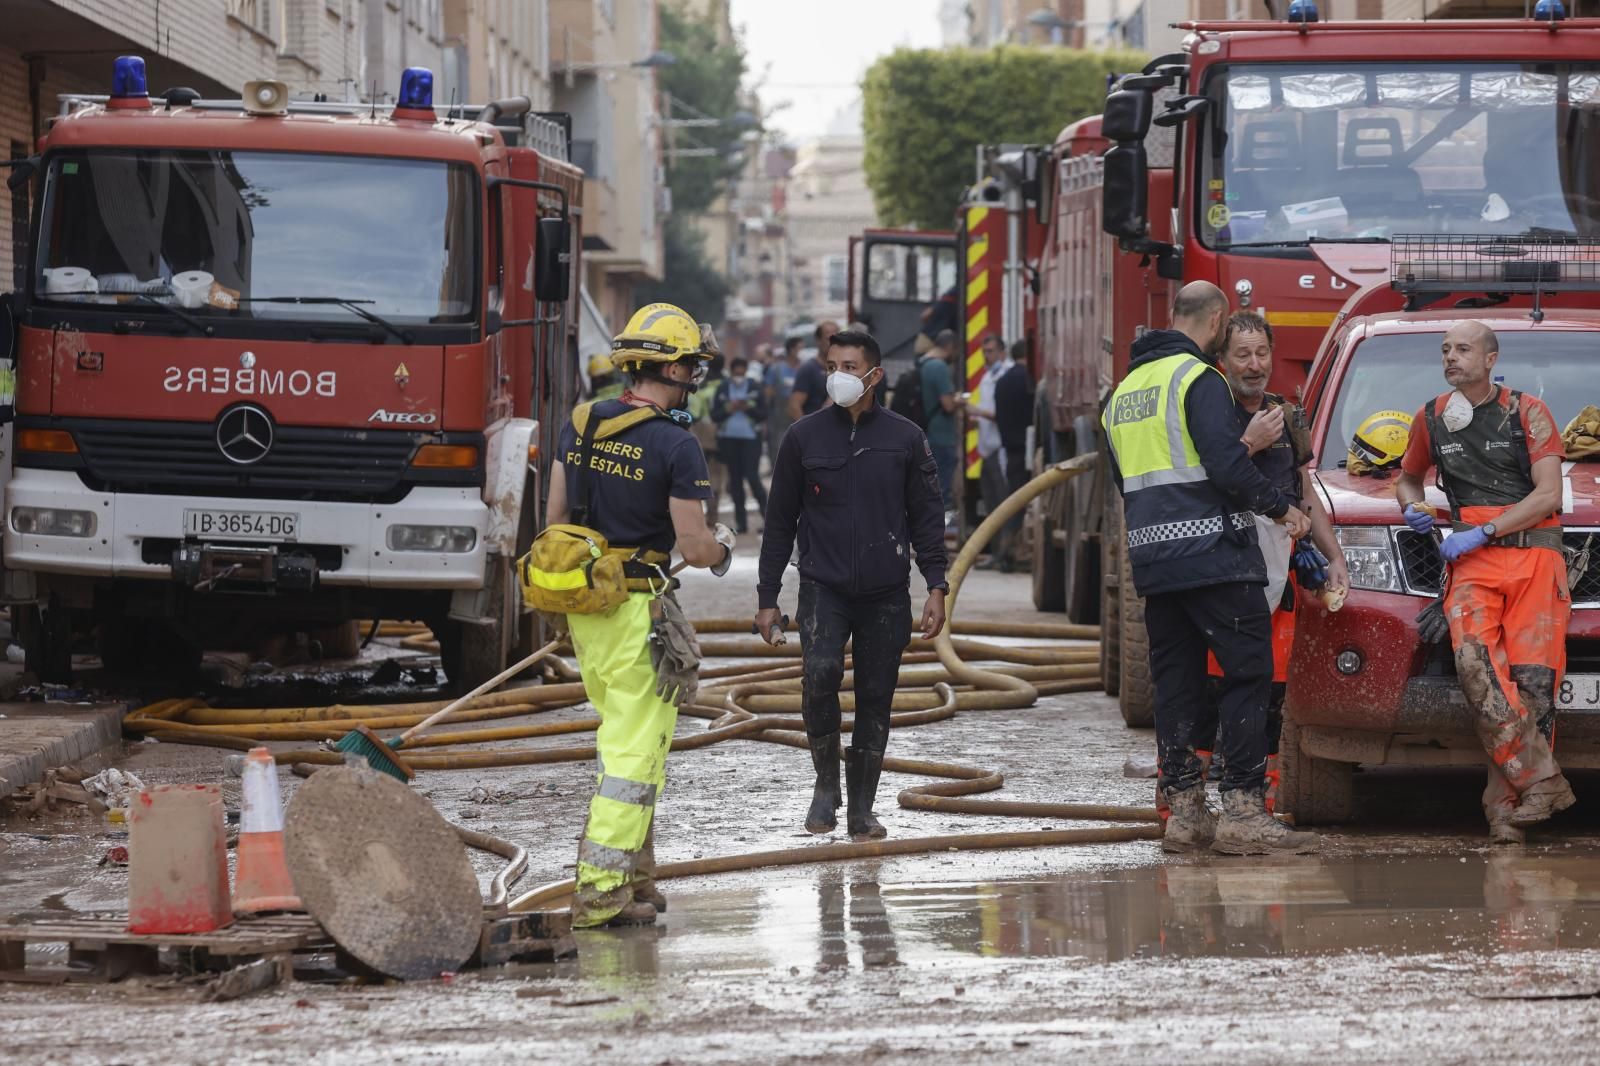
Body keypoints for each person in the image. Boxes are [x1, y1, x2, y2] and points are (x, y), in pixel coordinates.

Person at [1101, 281, 1315, 856]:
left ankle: (1186, 814)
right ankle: (1244, 810)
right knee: (1248, 673)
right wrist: (1283, 508)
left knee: (1177, 684)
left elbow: (1125, 481)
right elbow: (1226, 466)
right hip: (1215, 555)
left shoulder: (1123, 393)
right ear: (1218, 320)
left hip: (1153, 559)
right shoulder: (1199, 380)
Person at [543, 302, 736, 928]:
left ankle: (637, 883)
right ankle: (599, 895)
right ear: (676, 369)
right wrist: (724, 545)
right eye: (692, 365)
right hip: (636, 613)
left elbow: (554, 523)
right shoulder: (677, 445)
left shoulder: (580, 424)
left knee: (621, 739)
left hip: (586, 608)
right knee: (632, 758)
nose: (695, 375)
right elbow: (696, 548)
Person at [755, 329, 949, 841]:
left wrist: (935, 585)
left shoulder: (906, 438)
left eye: (849, 365)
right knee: (819, 676)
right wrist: (767, 598)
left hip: (886, 590)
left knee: (875, 697)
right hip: (824, 586)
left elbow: (928, 516)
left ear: (875, 375)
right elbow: (779, 523)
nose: (837, 375)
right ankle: (825, 785)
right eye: (832, 364)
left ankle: (863, 805)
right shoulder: (803, 438)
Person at [1395, 321, 1574, 846]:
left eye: (1463, 348)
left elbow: (1549, 496)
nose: (1451, 356)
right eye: (1446, 349)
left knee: (1533, 687)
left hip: (1534, 558)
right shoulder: (1430, 417)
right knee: (1478, 674)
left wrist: (1485, 531)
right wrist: (1413, 508)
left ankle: (1506, 810)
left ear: (1491, 359)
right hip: (1473, 565)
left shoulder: (1527, 412)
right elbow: (1407, 476)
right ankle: (1543, 782)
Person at [1194, 311, 1349, 806]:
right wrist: (1249, 443)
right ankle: (1190, 795)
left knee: (1273, 686)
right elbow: (1200, 488)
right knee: (1209, 686)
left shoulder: (1289, 414)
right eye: (1243, 354)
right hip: (1218, 568)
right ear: (1222, 360)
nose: (1255, 364)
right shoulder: (1208, 411)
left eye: (1262, 353)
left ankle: (1264, 799)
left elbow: (1305, 494)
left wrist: (1334, 557)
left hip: (1279, 570)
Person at [966, 334, 1012, 566]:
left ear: (1003, 353)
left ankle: (1003, 555)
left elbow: (998, 414)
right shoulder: (987, 377)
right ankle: (995, 554)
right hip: (987, 449)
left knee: (1002, 505)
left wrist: (973, 410)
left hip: (999, 448)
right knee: (991, 505)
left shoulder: (1005, 376)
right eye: (984, 352)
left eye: (991, 351)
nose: (987, 356)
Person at [712, 356, 769, 533]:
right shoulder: (723, 388)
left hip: (751, 438)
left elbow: (763, 413)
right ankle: (741, 524)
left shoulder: (754, 388)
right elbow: (715, 415)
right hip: (729, 439)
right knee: (735, 481)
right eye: (735, 371)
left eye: (741, 370)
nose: (738, 375)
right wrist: (729, 409)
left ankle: (769, 519)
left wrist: (748, 408)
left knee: (753, 477)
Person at [920, 329, 960, 515]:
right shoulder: (940, 367)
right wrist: (959, 400)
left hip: (927, 431)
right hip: (942, 435)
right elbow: (948, 405)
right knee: (942, 486)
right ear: (950, 347)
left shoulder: (923, 363)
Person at [685, 356, 726, 528]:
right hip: (725, 433)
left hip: (704, 432)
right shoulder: (727, 384)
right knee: (720, 474)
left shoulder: (701, 387)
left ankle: (711, 512)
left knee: (706, 473)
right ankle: (714, 509)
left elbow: (695, 413)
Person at [788, 320, 839, 422]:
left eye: (837, 339)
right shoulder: (809, 369)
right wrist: (808, 433)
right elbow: (794, 407)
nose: (834, 343)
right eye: (829, 339)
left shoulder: (844, 369)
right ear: (818, 340)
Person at [767, 336, 803, 463]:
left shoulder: (804, 368)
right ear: (792, 350)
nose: (802, 351)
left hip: (802, 412)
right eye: (800, 348)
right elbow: (768, 392)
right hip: (780, 414)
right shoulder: (776, 369)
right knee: (779, 446)